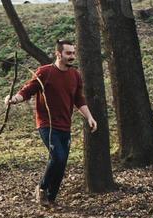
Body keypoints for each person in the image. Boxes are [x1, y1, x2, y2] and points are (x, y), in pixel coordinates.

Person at [7, 41, 99, 209]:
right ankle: (41, 188)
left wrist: (90, 117)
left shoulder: (75, 75)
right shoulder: (45, 72)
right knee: (58, 157)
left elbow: (79, 100)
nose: (72, 56)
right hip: (47, 124)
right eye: (68, 53)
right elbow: (28, 90)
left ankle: (51, 198)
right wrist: (14, 99)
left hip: (65, 125)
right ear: (58, 54)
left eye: (73, 53)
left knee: (61, 163)